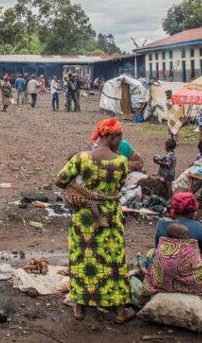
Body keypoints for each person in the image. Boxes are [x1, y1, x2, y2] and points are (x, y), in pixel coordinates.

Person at [55, 118, 134, 323]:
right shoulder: (121, 162)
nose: (120, 141)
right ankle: (119, 312)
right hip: (111, 215)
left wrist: (80, 191)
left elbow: (60, 180)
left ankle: (80, 307)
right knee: (114, 260)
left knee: (82, 257)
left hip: (84, 217)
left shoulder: (81, 159)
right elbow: (120, 185)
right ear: (111, 136)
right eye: (119, 137)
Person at [144, 217, 202, 321]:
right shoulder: (190, 247)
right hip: (190, 286)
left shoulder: (161, 248)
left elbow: (155, 261)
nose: (188, 237)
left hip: (163, 285)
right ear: (180, 236)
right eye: (186, 235)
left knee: (151, 257)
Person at [155, 192, 202, 258]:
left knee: (152, 253)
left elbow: (157, 247)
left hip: (164, 265)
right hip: (189, 266)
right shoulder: (197, 226)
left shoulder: (161, 223)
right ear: (192, 212)